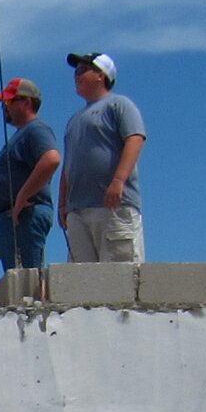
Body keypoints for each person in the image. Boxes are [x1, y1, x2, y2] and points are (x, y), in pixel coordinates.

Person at [61, 51, 146, 263]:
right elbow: (68, 165)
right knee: (82, 279)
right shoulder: (74, 120)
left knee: (120, 275)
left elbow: (135, 139)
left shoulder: (119, 104)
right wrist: (63, 205)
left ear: (101, 75)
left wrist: (118, 181)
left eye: (83, 70)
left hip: (114, 207)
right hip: (78, 211)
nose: (76, 75)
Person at [0, 77, 61, 278]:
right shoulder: (21, 134)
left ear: (26, 103)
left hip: (24, 216)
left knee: (27, 280)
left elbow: (51, 159)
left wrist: (22, 197)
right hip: (2, 220)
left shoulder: (36, 129)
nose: (4, 107)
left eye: (9, 101)